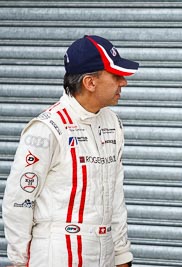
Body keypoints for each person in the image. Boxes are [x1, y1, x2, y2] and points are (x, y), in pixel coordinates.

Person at [2, 35, 139, 267]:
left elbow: (115, 195)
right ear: (90, 82)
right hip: (56, 254)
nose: (123, 83)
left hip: (103, 252)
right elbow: (19, 200)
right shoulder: (47, 128)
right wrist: (18, 260)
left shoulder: (112, 123)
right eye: (116, 76)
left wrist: (122, 254)